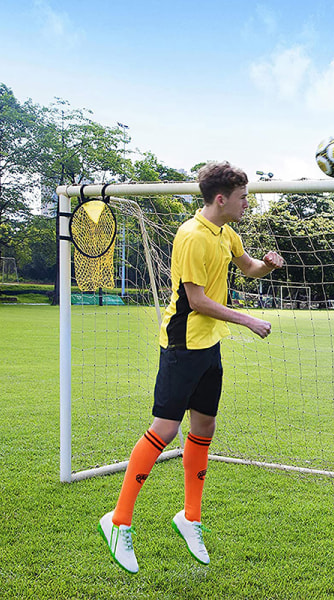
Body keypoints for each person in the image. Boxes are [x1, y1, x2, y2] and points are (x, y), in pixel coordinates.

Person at [98, 161, 284, 573]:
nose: (246, 202)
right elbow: (197, 300)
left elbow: (247, 266)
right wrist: (250, 320)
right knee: (165, 430)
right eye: (242, 197)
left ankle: (190, 518)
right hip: (182, 345)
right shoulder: (191, 237)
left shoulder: (226, 232)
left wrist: (267, 264)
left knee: (204, 429)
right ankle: (118, 521)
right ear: (221, 198)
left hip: (209, 347)